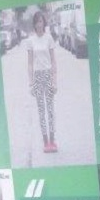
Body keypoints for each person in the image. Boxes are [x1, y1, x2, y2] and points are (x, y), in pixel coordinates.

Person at [27, 10, 58, 153]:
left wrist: (54, 81)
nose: (39, 24)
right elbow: (30, 64)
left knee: (50, 109)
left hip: (48, 74)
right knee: (41, 110)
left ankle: (53, 140)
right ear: (34, 24)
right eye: (37, 22)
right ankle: (45, 142)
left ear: (44, 22)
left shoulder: (49, 38)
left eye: (41, 21)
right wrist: (31, 83)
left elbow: (53, 61)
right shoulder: (30, 41)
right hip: (38, 76)